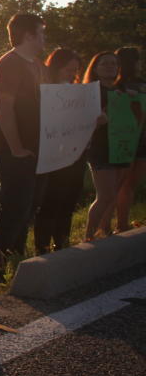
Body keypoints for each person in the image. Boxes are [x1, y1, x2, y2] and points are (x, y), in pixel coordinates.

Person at [0, 13, 47, 285]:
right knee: (12, 208)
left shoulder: (38, 66)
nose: (45, 37)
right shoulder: (9, 64)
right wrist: (17, 147)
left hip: (36, 149)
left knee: (27, 206)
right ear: (28, 35)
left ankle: (16, 261)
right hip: (12, 151)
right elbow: (3, 107)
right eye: (41, 32)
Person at [32, 48, 85, 253]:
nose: (71, 74)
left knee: (69, 201)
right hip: (53, 155)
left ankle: (62, 244)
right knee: (50, 202)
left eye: (75, 70)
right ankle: (42, 248)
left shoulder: (79, 93)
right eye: (67, 69)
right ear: (56, 67)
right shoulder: (45, 90)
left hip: (76, 155)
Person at [83, 51, 130, 240]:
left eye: (114, 63)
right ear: (95, 68)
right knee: (105, 195)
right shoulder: (91, 92)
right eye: (105, 63)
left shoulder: (120, 90)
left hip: (120, 147)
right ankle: (88, 238)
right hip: (100, 149)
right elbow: (84, 121)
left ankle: (105, 230)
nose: (111, 66)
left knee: (113, 194)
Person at [114, 47, 145, 232]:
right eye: (138, 60)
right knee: (121, 183)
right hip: (123, 139)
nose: (140, 64)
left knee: (132, 182)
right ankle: (115, 225)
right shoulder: (116, 86)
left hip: (143, 139)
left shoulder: (142, 83)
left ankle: (123, 223)